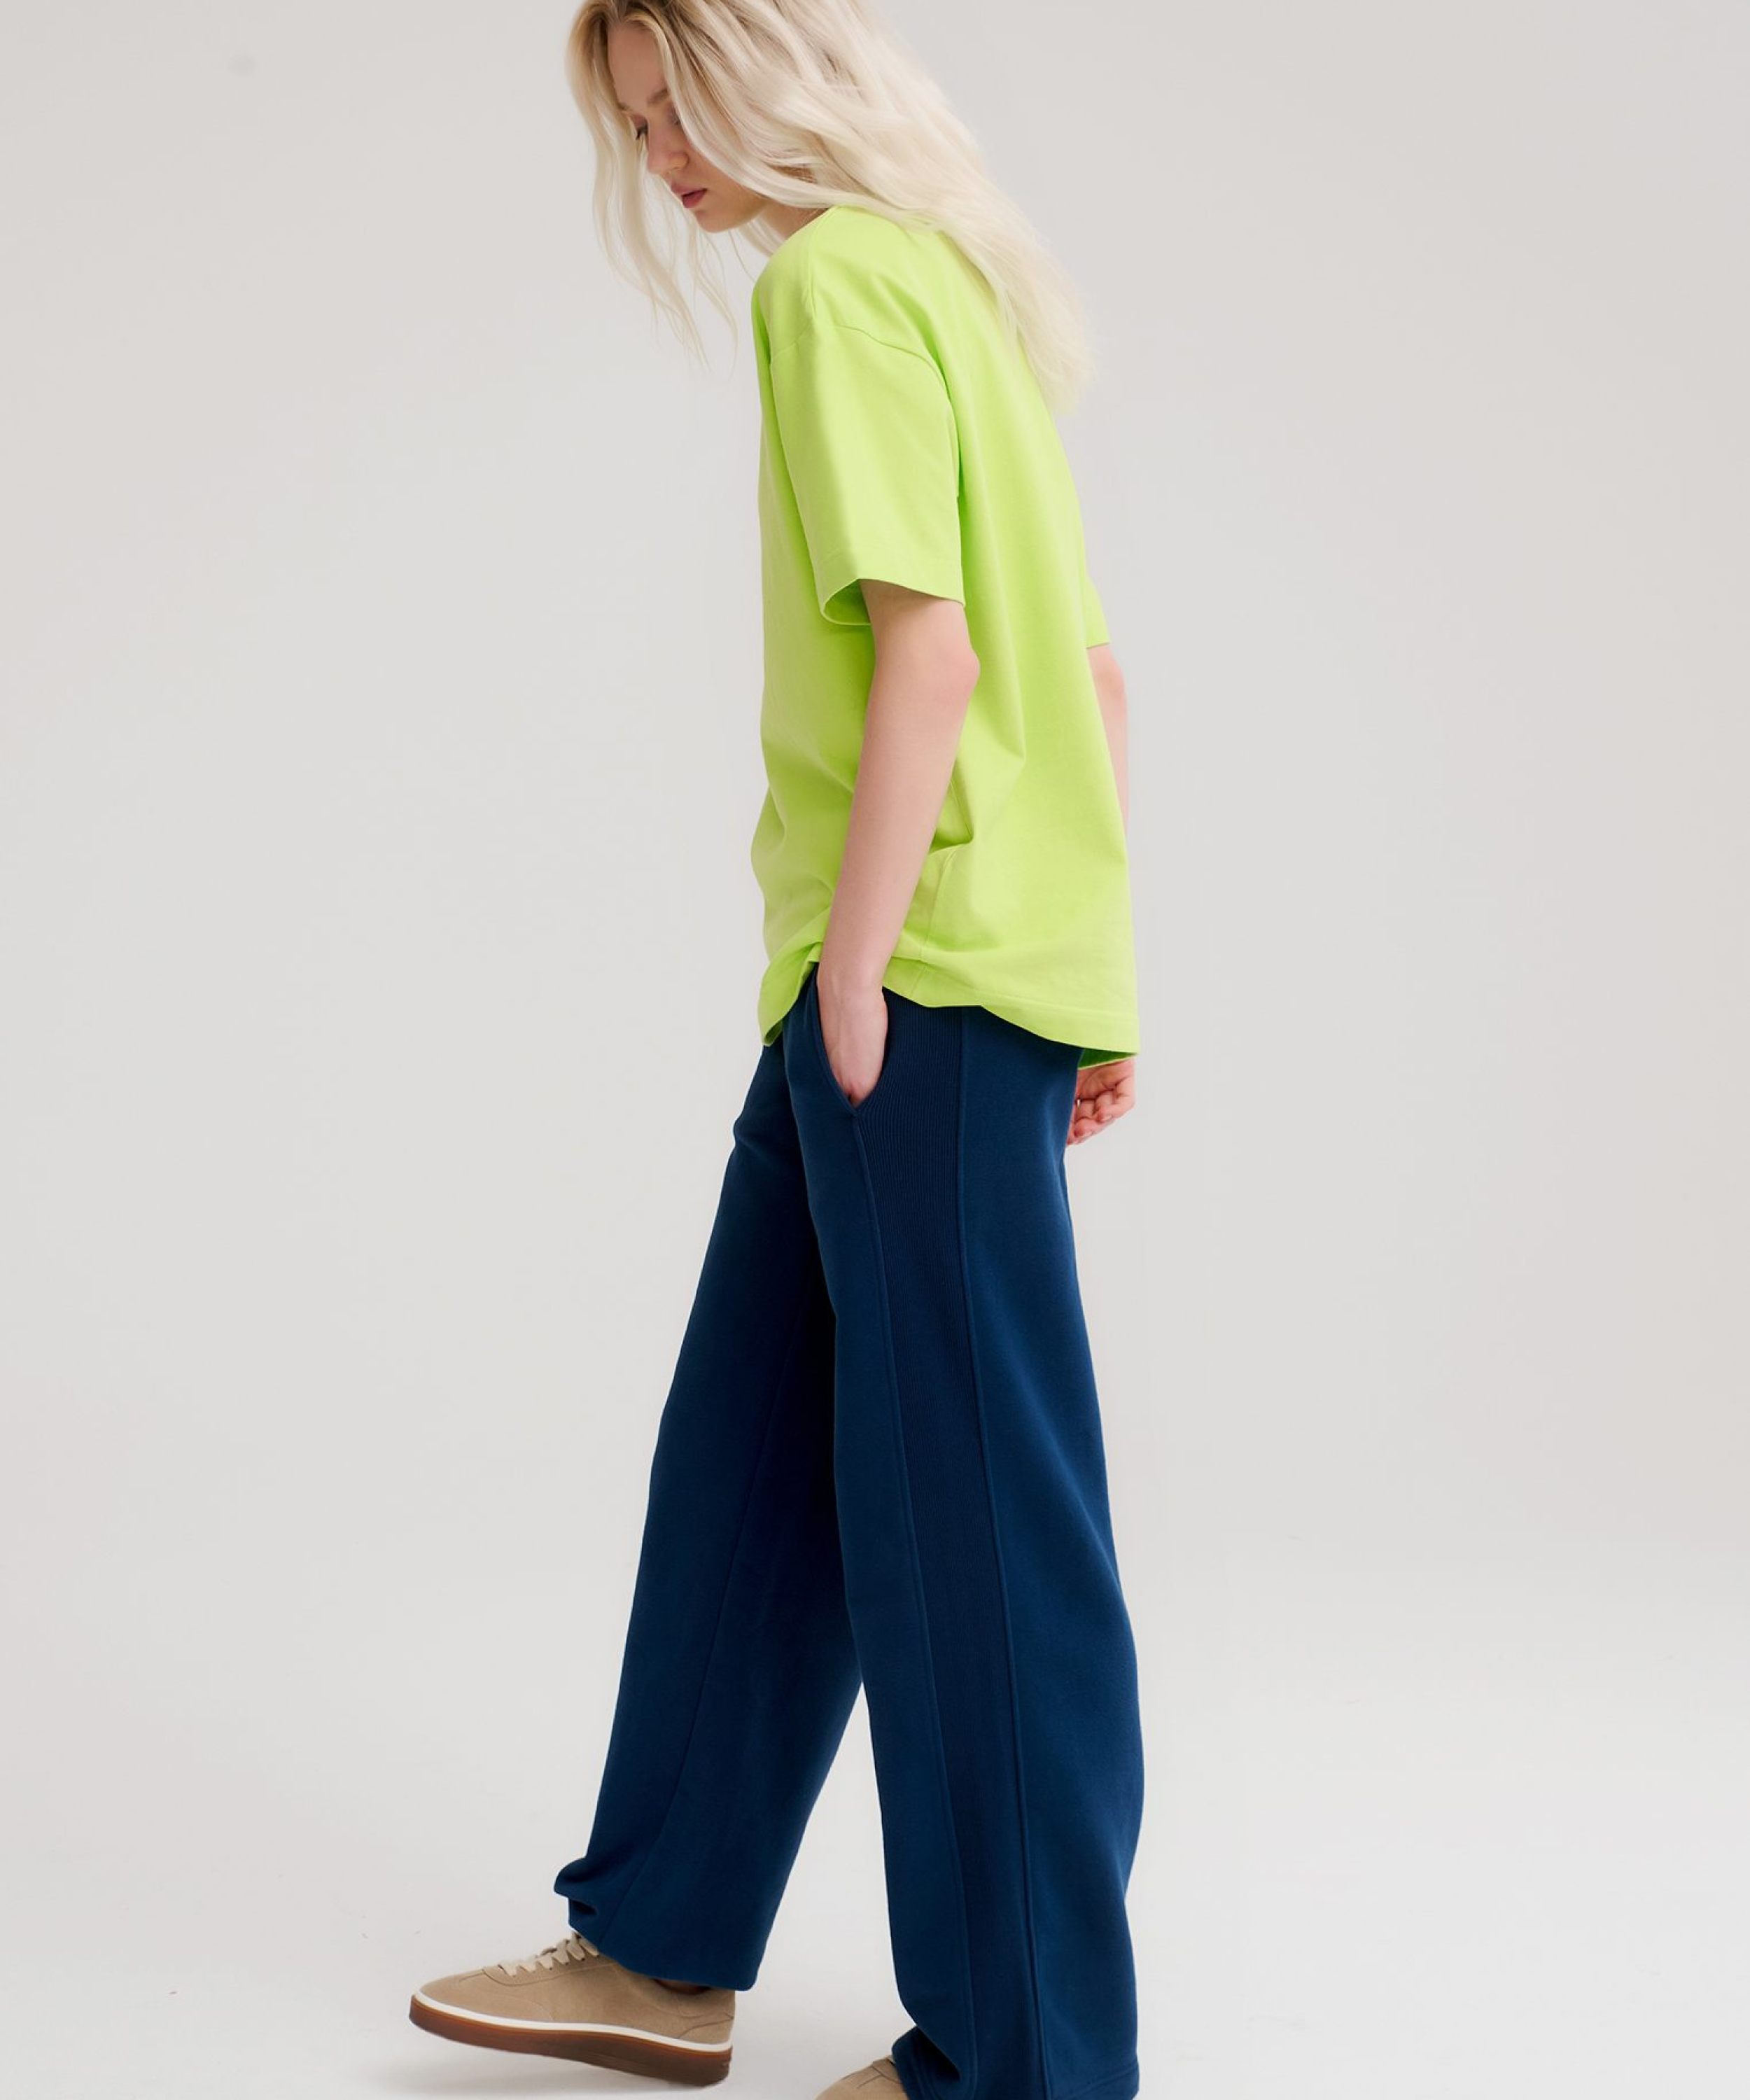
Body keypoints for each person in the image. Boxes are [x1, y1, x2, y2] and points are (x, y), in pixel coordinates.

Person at [407, 5, 1146, 2099]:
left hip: (904, 982)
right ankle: (657, 1947)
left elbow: (941, 654)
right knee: (753, 1457)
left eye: (678, 104)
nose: (661, 152)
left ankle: (1024, 2059)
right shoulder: (962, 285)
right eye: (632, 122)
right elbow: (1095, 682)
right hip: (952, 970)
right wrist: (1089, 983)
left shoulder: (834, 287)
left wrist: (861, 972)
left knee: (974, 1526)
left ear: (776, 74)